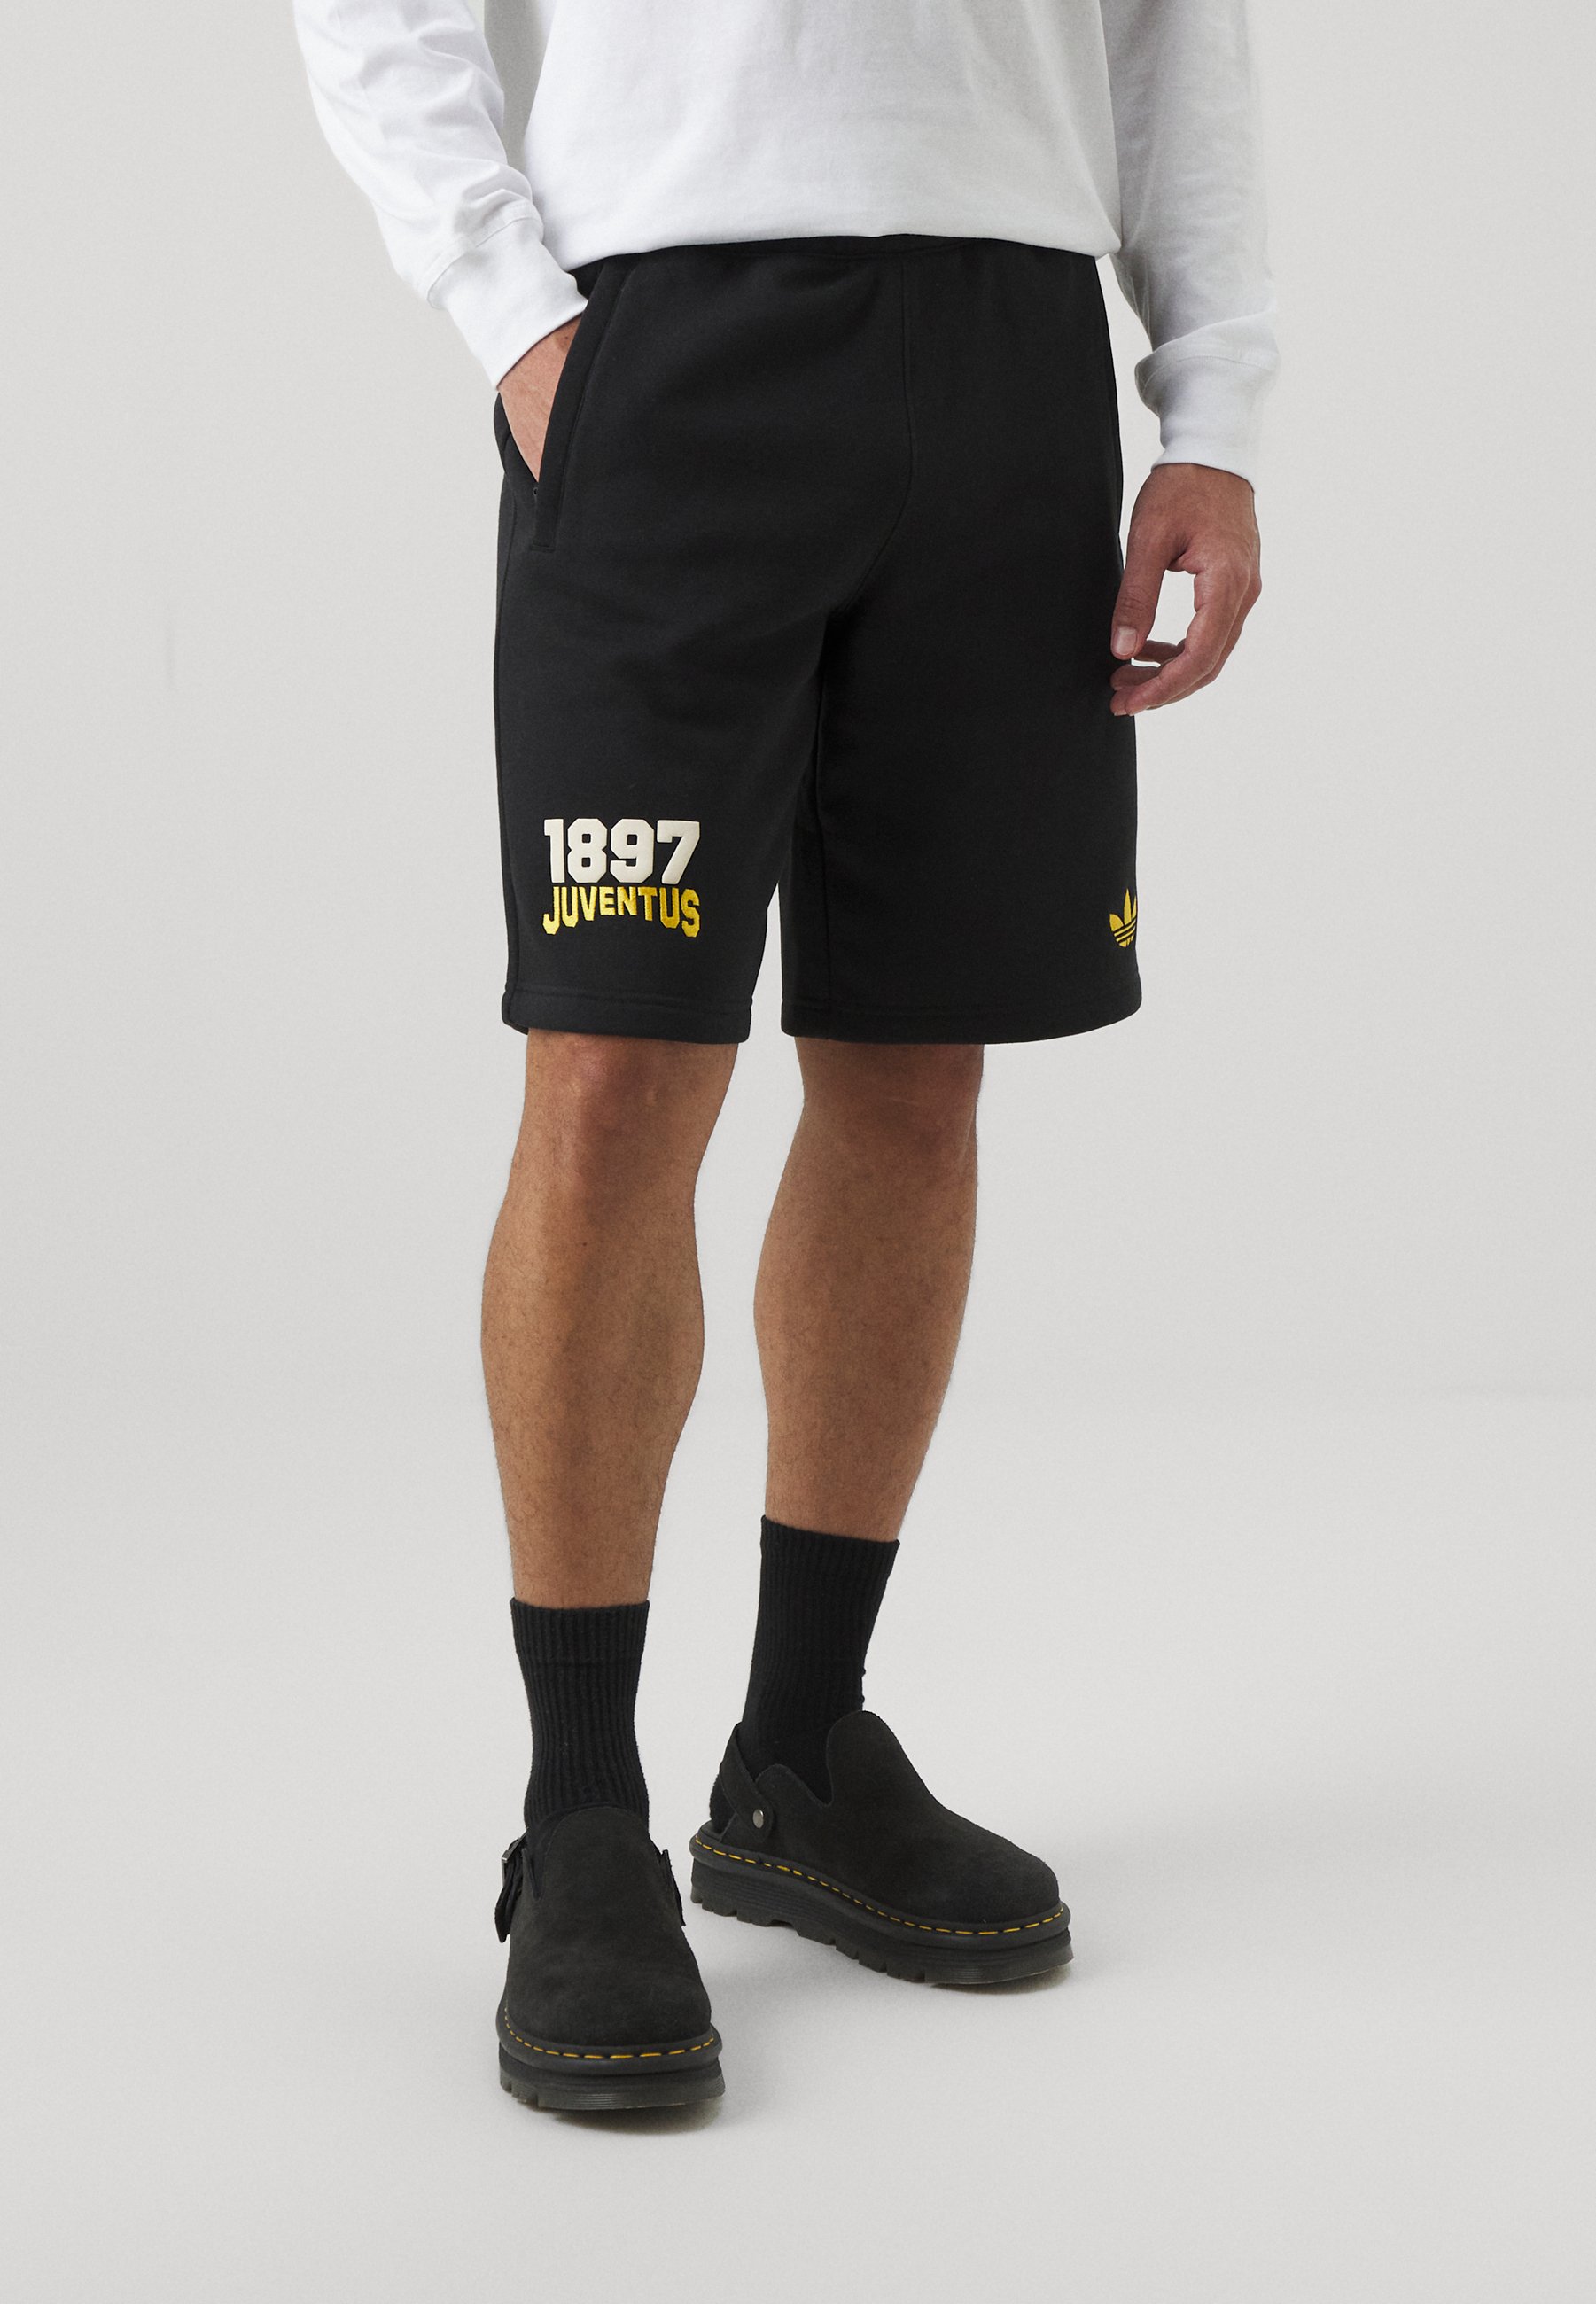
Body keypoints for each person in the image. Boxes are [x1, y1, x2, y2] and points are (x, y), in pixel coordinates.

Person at [291, 0, 1276, 2112]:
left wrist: (1211, 402)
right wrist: (513, 313)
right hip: (663, 331)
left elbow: (1175, 25)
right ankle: (579, 1814)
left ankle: (800, 1753)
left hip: (1010, 352)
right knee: (613, 1073)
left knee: (915, 1069)